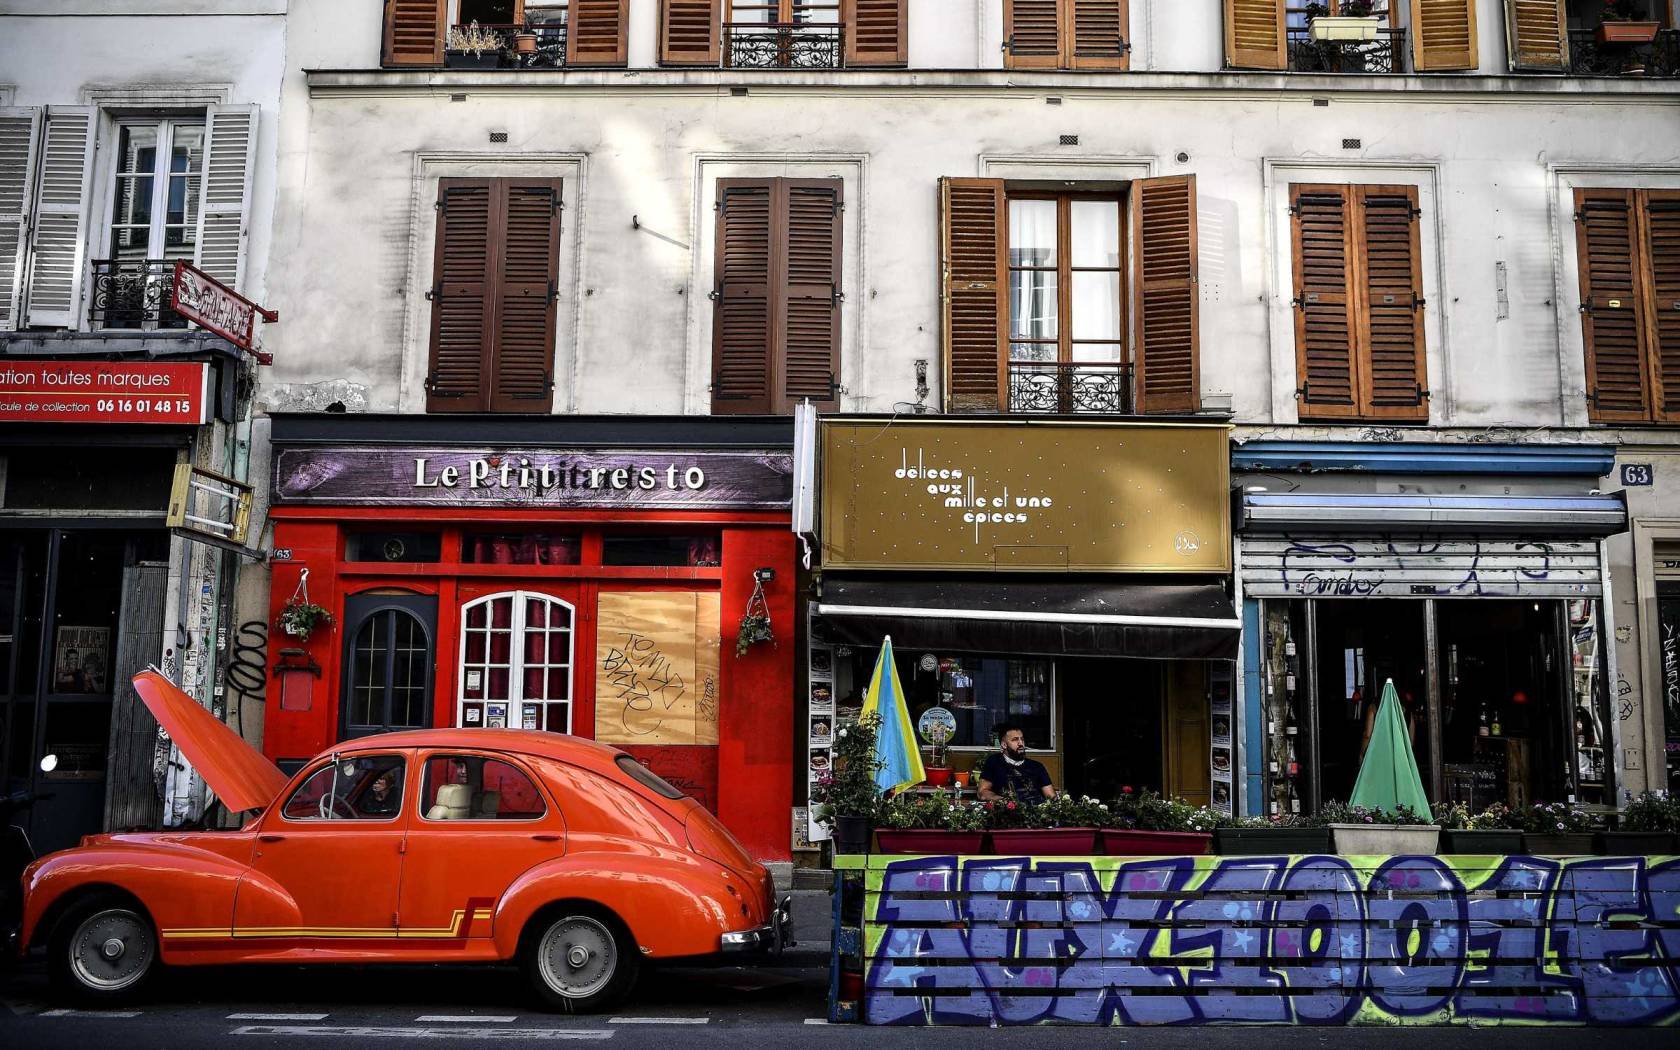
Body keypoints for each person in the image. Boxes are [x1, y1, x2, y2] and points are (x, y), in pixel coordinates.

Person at [977, 722, 1056, 805]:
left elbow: (1051, 796)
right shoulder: (994, 762)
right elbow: (982, 792)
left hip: (1036, 811)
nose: (1020, 743)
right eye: (1015, 740)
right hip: (1008, 812)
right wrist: (1004, 801)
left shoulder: (1036, 766)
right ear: (1004, 745)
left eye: (1022, 739)